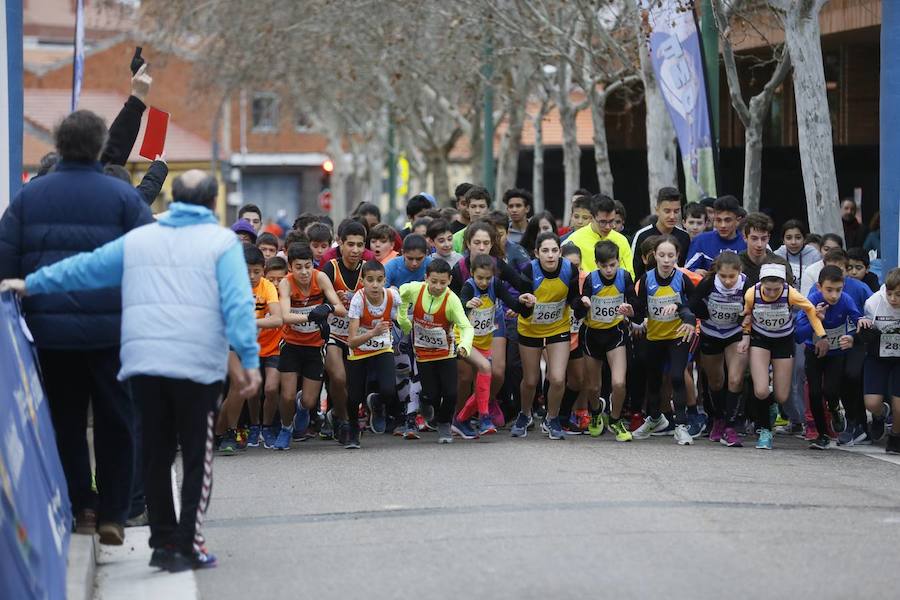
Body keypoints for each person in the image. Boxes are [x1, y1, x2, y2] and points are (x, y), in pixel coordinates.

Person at [1, 169, 262, 571]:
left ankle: (162, 541)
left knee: (155, 453)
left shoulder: (140, 238)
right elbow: (238, 303)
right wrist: (248, 358)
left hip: (144, 360)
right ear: (212, 204)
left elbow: (87, 268)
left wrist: (32, 283)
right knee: (196, 456)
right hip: (195, 364)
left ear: (173, 199)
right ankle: (188, 544)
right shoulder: (221, 242)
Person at [0, 109, 153, 544]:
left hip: (51, 335)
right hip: (114, 333)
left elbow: (5, 260)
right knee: (116, 420)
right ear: (101, 146)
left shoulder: (29, 198)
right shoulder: (123, 199)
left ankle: (81, 506)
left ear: (59, 145)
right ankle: (114, 512)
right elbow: (149, 260)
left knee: (65, 421)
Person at [743, 259, 826, 450]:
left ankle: (771, 406)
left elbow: (810, 310)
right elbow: (746, 314)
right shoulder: (752, 293)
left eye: (776, 289)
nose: (772, 294)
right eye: (768, 289)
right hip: (760, 340)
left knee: (781, 396)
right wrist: (746, 336)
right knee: (761, 390)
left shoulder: (791, 293)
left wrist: (821, 334)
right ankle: (765, 430)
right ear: (761, 283)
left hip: (783, 341)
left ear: (783, 284)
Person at [510, 232, 582, 440]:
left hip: (558, 327)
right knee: (531, 380)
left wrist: (582, 305)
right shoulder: (528, 270)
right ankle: (524, 414)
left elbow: (574, 300)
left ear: (560, 252)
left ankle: (552, 418)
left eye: (554, 250)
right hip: (530, 328)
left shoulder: (569, 269)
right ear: (536, 253)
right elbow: (522, 310)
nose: (550, 255)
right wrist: (526, 304)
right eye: (545, 251)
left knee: (558, 378)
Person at [275, 243, 346, 450]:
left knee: (308, 401)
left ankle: (302, 409)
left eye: (308, 266)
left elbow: (340, 309)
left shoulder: (320, 277)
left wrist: (327, 307)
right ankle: (286, 428)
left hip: (315, 345)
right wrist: (311, 315)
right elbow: (285, 317)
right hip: (291, 344)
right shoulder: (286, 284)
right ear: (290, 268)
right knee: (287, 395)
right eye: (298, 267)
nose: (304, 272)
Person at [397, 259, 475, 443]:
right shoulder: (416, 289)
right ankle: (425, 403)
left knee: (450, 393)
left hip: (445, 353)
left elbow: (466, 327)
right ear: (426, 278)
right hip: (423, 355)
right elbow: (401, 294)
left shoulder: (452, 300)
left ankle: (444, 423)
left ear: (449, 280)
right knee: (431, 394)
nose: (438, 286)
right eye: (433, 281)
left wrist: (464, 346)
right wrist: (403, 319)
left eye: (443, 282)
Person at [215, 244, 282, 453]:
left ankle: (218, 433)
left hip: (252, 343)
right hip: (228, 341)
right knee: (238, 385)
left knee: (239, 389)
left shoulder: (267, 287)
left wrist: (252, 323)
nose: (252, 276)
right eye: (247, 271)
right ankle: (229, 432)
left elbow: (278, 318)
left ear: (263, 270)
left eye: (257, 271)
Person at [630, 235, 697, 445]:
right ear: (654, 256)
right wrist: (630, 312)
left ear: (677, 256)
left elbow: (695, 306)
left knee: (677, 377)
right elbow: (639, 313)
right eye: (662, 255)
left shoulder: (683, 278)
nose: (666, 260)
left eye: (671, 255)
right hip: (654, 337)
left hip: (678, 335)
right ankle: (655, 419)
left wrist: (682, 312)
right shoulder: (645, 279)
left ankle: (681, 426)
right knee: (654, 381)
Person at [796, 266, 871, 450]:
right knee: (814, 393)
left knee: (831, 391)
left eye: (838, 290)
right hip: (814, 352)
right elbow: (798, 335)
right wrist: (816, 320)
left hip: (836, 354)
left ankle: (835, 409)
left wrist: (855, 335)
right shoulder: (811, 301)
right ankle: (821, 434)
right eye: (829, 290)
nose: (834, 295)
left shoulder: (846, 300)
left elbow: (857, 321)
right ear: (819, 287)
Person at [457, 254, 529, 436]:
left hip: (483, 341)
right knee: (485, 368)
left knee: (483, 381)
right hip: (464, 340)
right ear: (472, 273)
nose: (483, 282)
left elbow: (514, 304)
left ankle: (460, 420)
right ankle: (484, 417)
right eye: (480, 278)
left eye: (488, 278)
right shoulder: (468, 286)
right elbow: (459, 310)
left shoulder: (495, 285)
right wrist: (468, 304)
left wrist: (526, 302)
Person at [576, 241, 637, 441]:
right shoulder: (591, 280)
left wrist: (630, 310)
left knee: (619, 383)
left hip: (615, 333)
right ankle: (595, 414)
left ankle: (615, 419)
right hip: (591, 335)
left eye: (612, 265)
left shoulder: (624, 276)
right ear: (596, 264)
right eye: (604, 266)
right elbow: (578, 312)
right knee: (593, 387)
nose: (609, 270)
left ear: (618, 261)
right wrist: (583, 304)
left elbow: (636, 306)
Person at [689, 252, 748, 447]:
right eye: (724, 276)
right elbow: (693, 302)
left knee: (735, 378)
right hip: (711, 334)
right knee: (716, 380)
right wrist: (704, 314)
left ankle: (731, 427)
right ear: (717, 273)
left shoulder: (746, 285)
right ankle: (718, 418)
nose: (728, 281)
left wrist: (743, 319)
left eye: (732, 276)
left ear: (739, 272)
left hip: (734, 334)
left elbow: (754, 304)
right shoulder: (709, 283)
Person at [344, 260, 401, 449]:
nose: (375, 285)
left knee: (389, 390)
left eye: (379, 280)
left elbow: (400, 316)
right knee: (354, 397)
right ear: (362, 281)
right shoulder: (358, 300)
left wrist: (401, 324)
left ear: (385, 280)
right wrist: (372, 333)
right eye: (370, 280)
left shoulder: (393, 296)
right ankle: (353, 429)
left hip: (382, 347)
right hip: (359, 348)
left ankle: (376, 403)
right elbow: (351, 340)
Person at [320, 221, 367, 438]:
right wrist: (333, 303)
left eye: (360, 245)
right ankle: (343, 420)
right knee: (338, 378)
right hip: (333, 334)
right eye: (350, 244)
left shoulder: (368, 269)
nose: (355, 250)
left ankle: (341, 415)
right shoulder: (331, 267)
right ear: (340, 243)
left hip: (358, 335)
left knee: (352, 384)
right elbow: (322, 301)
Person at [858, 268, 900, 454]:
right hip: (878, 356)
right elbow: (862, 327)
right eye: (890, 294)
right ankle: (880, 415)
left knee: (899, 405)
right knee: (872, 403)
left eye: (898, 295)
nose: (893, 299)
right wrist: (864, 326)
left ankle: (895, 436)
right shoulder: (873, 302)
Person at [630, 187, 692, 280]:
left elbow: (685, 270)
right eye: (667, 211)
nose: (672, 216)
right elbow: (634, 272)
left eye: (676, 211)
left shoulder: (684, 236)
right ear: (657, 210)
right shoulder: (641, 236)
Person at [259, 256, 288, 447]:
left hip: (276, 351)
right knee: (251, 391)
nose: (276, 283)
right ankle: (253, 426)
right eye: (272, 279)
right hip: (253, 349)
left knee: (271, 388)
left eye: (280, 279)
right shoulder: (260, 296)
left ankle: (267, 426)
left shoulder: (287, 298)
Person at [567, 194, 635, 276]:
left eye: (611, 221)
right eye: (603, 222)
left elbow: (630, 275)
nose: (608, 227)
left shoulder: (621, 240)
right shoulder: (574, 240)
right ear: (591, 218)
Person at [685, 195, 746, 275]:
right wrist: (695, 272)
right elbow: (686, 271)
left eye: (727, 220)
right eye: (718, 220)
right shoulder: (701, 241)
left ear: (738, 221)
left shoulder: (748, 242)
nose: (722, 225)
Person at [774, 219, 820, 290]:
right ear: (783, 240)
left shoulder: (814, 255)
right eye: (788, 238)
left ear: (804, 239)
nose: (793, 242)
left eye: (798, 238)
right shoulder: (777, 255)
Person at [739, 212, 780, 285]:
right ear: (745, 237)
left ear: (769, 238)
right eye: (754, 238)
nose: (759, 244)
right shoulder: (735, 264)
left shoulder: (780, 265)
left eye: (764, 239)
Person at [452, 186, 493, 252]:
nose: (477, 210)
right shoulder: (456, 238)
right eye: (473, 206)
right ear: (467, 208)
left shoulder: (497, 235)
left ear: (488, 208)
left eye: (482, 206)